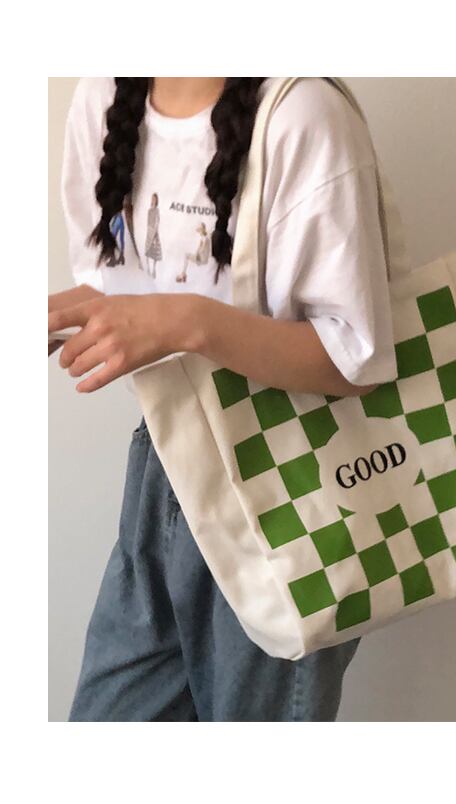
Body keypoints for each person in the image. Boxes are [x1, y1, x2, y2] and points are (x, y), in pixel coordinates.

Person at [48, 76, 398, 721]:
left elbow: (358, 362)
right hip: (163, 466)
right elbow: (124, 290)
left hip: (287, 491)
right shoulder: (104, 95)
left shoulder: (301, 114)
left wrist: (190, 322)